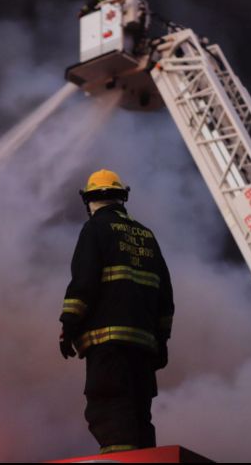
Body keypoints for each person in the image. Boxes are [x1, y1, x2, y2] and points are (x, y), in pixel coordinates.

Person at [59, 169, 174, 454]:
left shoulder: (95, 229)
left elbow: (84, 284)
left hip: (108, 347)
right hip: (143, 347)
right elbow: (165, 298)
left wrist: (68, 326)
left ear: (89, 201)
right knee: (139, 415)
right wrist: (161, 342)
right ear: (121, 198)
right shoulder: (147, 236)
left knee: (110, 409)